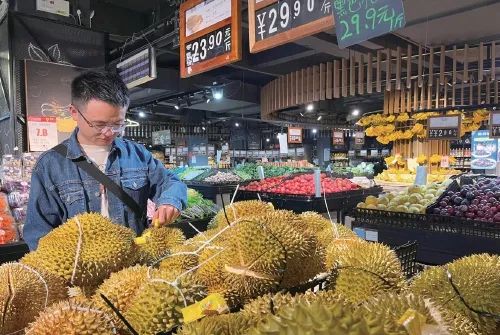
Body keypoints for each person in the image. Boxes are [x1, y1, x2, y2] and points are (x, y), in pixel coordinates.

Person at [24, 71, 187, 250]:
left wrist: (170, 201)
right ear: (74, 112)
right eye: (99, 124)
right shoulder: (50, 165)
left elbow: (170, 182)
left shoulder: (137, 154)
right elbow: (39, 235)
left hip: (134, 269)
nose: (109, 132)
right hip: (81, 272)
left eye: (117, 124)